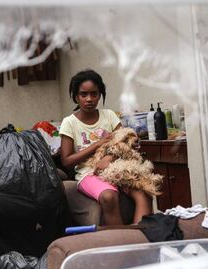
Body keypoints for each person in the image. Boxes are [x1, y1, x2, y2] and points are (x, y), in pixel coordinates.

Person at [60, 69, 152, 225]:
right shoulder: (69, 123)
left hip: (117, 169)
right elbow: (67, 161)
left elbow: (125, 141)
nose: (89, 99)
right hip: (88, 174)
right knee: (108, 196)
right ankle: (119, 242)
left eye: (94, 94)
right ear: (76, 97)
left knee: (144, 191)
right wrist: (97, 145)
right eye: (84, 95)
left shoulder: (109, 116)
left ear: (100, 95)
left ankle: (140, 239)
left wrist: (111, 156)